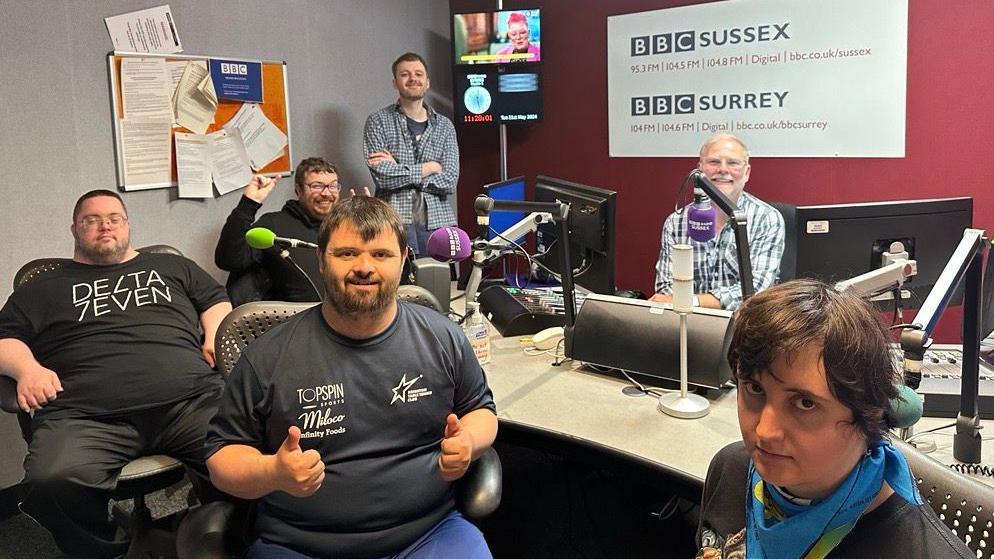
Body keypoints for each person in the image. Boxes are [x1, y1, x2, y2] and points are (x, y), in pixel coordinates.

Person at [205, 196, 497, 558]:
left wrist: (468, 441)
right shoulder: (266, 357)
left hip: (427, 534)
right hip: (301, 544)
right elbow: (221, 459)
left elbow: (482, 411)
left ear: (403, 260)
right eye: (346, 254)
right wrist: (272, 472)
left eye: (381, 254)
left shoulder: (442, 337)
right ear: (321, 260)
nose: (364, 267)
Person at [0, 189, 232, 558]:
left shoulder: (173, 267)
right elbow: (4, 336)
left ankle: (214, 531)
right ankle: (106, 550)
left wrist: (215, 337)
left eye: (113, 218)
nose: (104, 226)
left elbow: (215, 299)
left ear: (127, 225)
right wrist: (27, 369)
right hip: (85, 418)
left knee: (250, 445)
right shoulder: (41, 289)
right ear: (74, 230)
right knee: (50, 481)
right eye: (91, 220)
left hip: (191, 402)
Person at [696, 279, 973, 559]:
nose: (765, 432)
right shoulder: (733, 470)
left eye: (805, 404)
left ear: (868, 416)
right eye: (755, 389)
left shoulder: (921, 552)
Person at [651, 133, 784, 310]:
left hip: (744, 327)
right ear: (700, 170)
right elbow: (667, 289)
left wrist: (693, 301)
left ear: (747, 173)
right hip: (689, 324)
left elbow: (756, 292)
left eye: (733, 163)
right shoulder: (676, 222)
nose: (722, 170)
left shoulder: (766, 219)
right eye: (714, 162)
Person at [363, 52, 460, 257]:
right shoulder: (378, 121)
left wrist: (399, 169)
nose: (413, 78)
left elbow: (450, 180)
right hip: (393, 222)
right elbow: (383, 177)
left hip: (438, 223)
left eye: (418, 74)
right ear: (395, 82)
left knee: (439, 285)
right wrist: (429, 168)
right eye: (405, 74)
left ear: (427, 82)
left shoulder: (444, 126)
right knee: (398, 285)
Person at [215, 157, 341, 303]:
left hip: (343, 317)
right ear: (299, 190)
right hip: (291, 320)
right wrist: (248, 204)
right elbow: (229, 260)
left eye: (332, 186)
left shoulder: (344, 226)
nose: (326, 193)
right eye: (317, 186)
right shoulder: (274, 224)